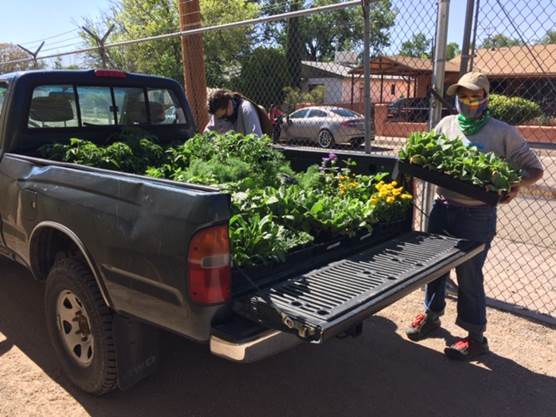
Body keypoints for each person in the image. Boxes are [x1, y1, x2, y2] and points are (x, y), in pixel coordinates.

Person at [404, 72, 544, 360]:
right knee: (434, 267)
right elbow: (426, 155)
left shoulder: (501, 132)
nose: (468, 101)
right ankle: (431, 316)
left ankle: (475, 337)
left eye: (474, 96)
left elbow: (535, 170)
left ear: (485, 98)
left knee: (468, 274)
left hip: (477, 214)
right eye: (463, 96)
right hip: (443, 207)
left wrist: (514, 184)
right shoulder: (447, 124)